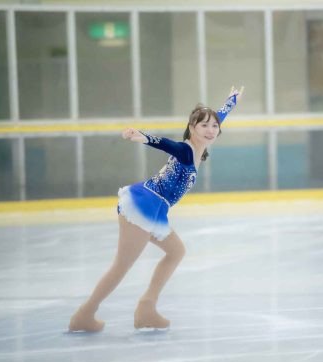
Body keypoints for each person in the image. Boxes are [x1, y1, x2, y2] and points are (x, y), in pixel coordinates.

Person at [69, 86, 244, 332]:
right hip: (144, 204)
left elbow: (219, 116)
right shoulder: (185, 150)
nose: (210, 130)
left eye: (214, 126)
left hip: (156, 207)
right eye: (203, 125)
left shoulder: (200, 145)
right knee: (122, 265)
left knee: (175, 252)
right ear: (192, 128)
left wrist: (231, 101)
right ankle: (85, 315)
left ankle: (146, 308)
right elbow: (164, 144)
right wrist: (141, 136)